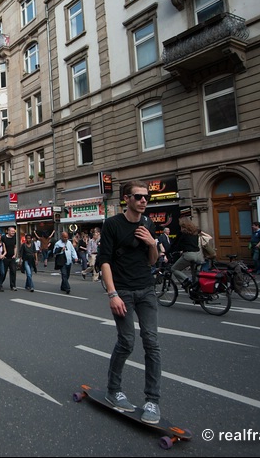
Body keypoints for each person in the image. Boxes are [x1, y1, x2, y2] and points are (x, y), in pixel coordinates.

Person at [97, 180, 162, 424]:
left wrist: (152, 243)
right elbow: (104, 261)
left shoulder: (148, 224)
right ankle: (114, 391)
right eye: (138, 197)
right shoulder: (113, 224)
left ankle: (152, 401)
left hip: (146, 290)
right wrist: (112, 294)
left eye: (147, 197)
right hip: (123, 291)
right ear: (127, 199)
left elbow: (152, 261)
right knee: (126, 342)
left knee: (152, 343)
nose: (144, 201)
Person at [170, 218, 205, 290]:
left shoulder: (183, 233)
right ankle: (198, 292)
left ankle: (186, 281)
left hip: (189, 255)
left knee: (174, 269)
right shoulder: (195, 232)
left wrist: (166, 252)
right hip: (198, 255)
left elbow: (176, 245)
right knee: (195, 275)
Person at [0, 226, 18, 291]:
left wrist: (15, 254)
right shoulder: (3, 238)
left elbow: (15, 247)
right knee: (3, 272)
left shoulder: (14, 238)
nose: (13, 232)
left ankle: (13, 286)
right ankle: (0, 284)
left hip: (12, 257)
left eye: (14, 231)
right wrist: (2, 255)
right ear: (8, 231)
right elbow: (0, 246)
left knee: (13, 271)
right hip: (5, 257)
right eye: (12, 231)